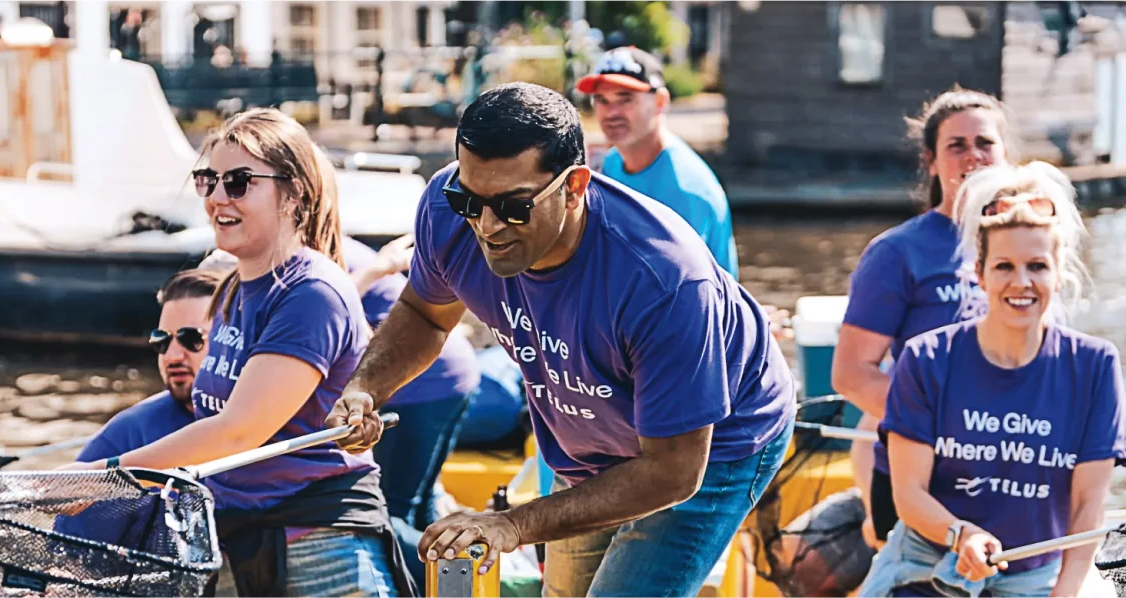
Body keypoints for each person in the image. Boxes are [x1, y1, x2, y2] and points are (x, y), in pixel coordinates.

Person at [325, 82, 796, 597]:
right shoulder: (445, 211)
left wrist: (514, 523)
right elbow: (425, 314)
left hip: (716, 441)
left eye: (513, 206)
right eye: (469, 198)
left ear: (574, 188)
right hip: (596, 435)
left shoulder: (663, 280)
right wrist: (365, 387)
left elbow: (673, 471)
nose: (486, 225)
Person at [59, 108, 409, 597]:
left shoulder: (311, 292)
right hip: (238, 540)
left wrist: (107, 477)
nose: (218, 196)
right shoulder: (233, 290)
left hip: (319, 548)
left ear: (294, 195)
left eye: (240, 181)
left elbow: (241, 430)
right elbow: (202, 411)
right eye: (208, 180)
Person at [858, 161, 1126, 597]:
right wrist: (962, 535)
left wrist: (1063, 595)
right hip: (927, 567)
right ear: (979, 274)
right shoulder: (926, 358)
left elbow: (1087, 511)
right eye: (1004, 266)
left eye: (1037, 266)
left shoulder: (1095, 366)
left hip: (1034, 580)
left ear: (1058, 274)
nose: (1021, 282)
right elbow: (908, 495)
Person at [831, 86, 1012, 549]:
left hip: (1010, 466)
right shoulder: (898, 252)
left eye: (985, 143)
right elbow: (852, 375)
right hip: (922, 475)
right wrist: (945, 429)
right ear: (931, 161)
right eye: (957, 146)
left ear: (1005, 153)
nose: (974, 155)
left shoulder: (1031, 247)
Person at [341, 233, 482, 590]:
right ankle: (454, 585)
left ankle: (455, 590)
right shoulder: (333, 248)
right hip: (450, 371)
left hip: (420, 382)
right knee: (418, 505)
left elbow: (328, 318)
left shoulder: (311, 260)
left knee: (390, 512)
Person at [575, 46, 738, 278]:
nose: (611, 112)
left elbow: (681, 289)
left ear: (660, 102)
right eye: (601, 100)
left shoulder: (686, 189)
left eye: (625, 99)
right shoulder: (612, 163)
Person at [74, 268, 228, 463]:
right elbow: (64, 487)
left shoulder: (268, 422)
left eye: (191, 338)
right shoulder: (131, 431)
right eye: (162, 340)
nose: (172, 356)